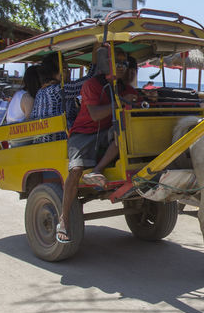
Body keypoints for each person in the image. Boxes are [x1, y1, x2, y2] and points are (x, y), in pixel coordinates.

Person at [56, 48, 141, 242]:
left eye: (124, 63)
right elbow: (94, 114)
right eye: (117, 62)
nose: (122, 67)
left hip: (108, 133)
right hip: (83, 134)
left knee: (124, 134)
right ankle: (64, 218)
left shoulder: (125, 88)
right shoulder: (92, 85)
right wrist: (122, 101)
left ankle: (97, 170)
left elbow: (133, 107)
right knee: (76, 170)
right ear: (107, 64)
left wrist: (142, 101)